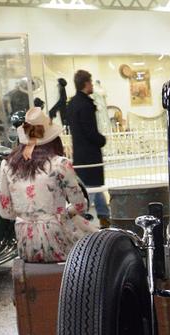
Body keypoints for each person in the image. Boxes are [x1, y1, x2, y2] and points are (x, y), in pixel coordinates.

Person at [0, 107, 96, 263]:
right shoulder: (60, 164)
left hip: (26, 244)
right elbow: (80, 206)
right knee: (94, 243)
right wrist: (63, 213)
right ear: (53, 139)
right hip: (57, 238)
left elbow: (6, 213)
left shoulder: (7, 165)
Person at [66, 69, 109, 227]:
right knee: (91, 189)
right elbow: (90, 131)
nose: (92, 85)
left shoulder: (72, 104)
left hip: (80, 153)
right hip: (90, 153)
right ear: (86, 83)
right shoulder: (85, 105)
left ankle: (104, 215)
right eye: (90, 82)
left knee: (93, 187)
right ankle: (83, 219)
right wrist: (101, 140)